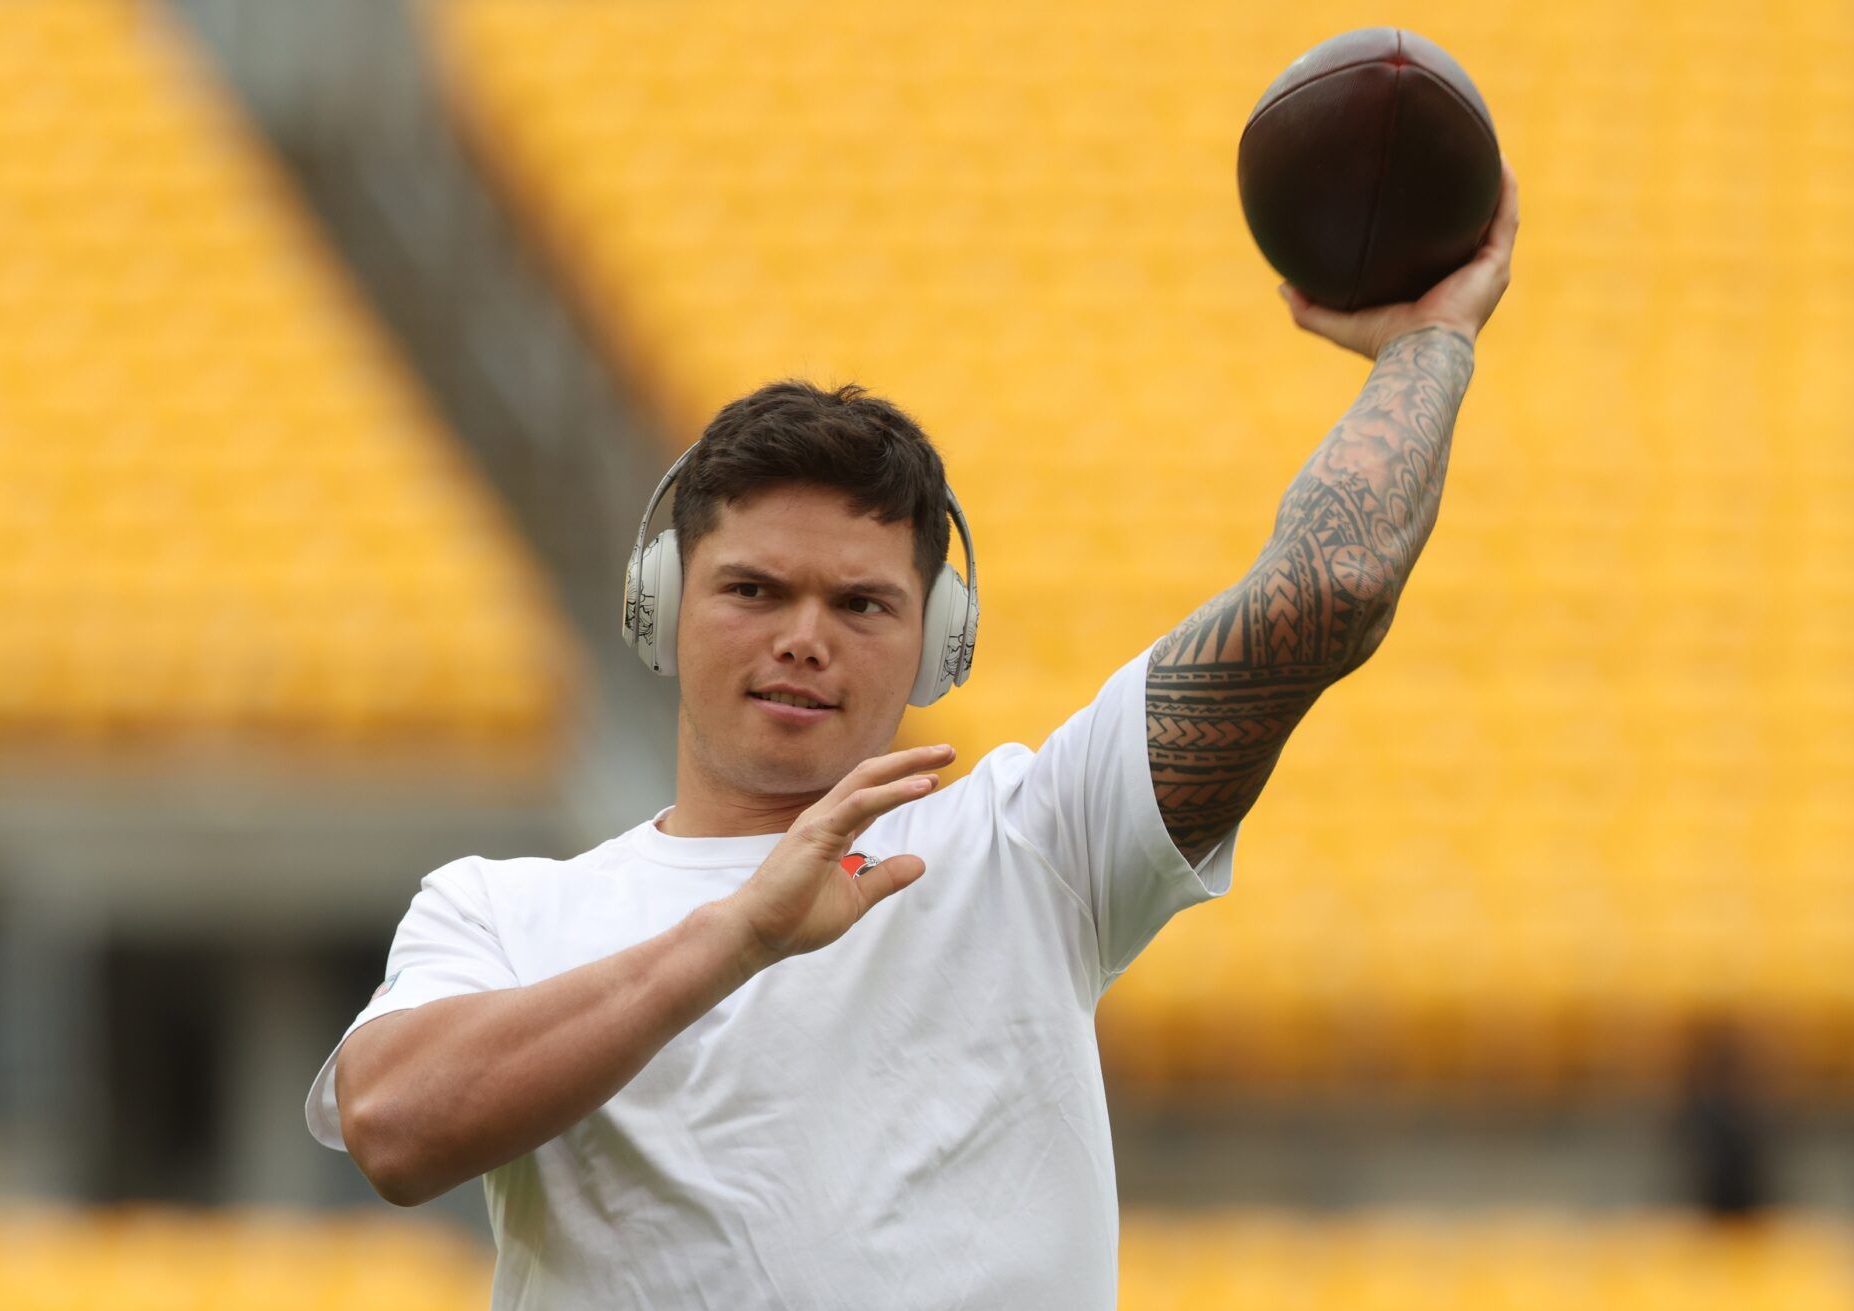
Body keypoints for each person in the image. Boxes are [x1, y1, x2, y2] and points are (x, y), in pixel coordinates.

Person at [305, 162, 1519, 1308]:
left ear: (937, 640)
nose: (803, 637)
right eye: (754, 590)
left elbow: (1336, 584)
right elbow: (397, 1130)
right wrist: (740, 936)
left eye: (862, 604)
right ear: (665, 604)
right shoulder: (497, 913)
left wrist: (1429, 346)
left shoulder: (1032, 842)